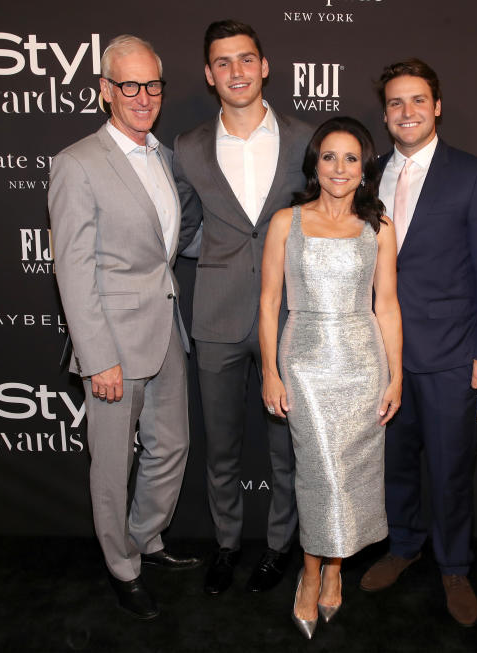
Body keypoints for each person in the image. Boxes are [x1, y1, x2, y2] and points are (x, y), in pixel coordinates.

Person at [49, 35, 201, 620]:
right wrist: (98, 357)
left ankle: (145, 538)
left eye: (152, 85)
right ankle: (122, 566)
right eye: (129, 85)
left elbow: (171, 245)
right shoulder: (77, 163)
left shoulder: (163, 156)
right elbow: (74, 270)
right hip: (111, 342)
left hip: (166, 332)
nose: (143, 97)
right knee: (113, 464)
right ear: (106, 91)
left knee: (172, 448)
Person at [359, 59, 477, 627]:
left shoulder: (473, 174)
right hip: (379, 354)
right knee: (394, 464)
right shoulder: (366, 173)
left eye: (417, 100)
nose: (407, 112)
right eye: (396, 103)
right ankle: (404, 546)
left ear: (437, 105)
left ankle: (453, 566)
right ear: (385, 114)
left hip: (451, 354)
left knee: (449, 468)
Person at [172, 20, 314, 595]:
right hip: (217, 318)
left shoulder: (306, 139)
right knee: (222, 446)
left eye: (246, 59)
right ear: (210, 75)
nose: (236, 71)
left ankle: (280, 547)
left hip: (291, 321)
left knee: (288, 449)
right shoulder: (187, 147)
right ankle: (226, 544)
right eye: (223, 63)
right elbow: (181, 229)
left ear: (265, 66)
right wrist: (229, 256)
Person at [259, 116, 403, 639]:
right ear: (314, 165)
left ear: (364, 168)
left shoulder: (379, 225)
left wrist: (396, 377)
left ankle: (336, 567)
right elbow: (270, 301)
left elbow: (386, 306)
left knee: (352, 475)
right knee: (317, 473)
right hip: (305, 363)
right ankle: (311, 571)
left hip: (363, 363)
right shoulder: (286, 222)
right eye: (329, 157)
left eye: (350, 158)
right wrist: (271, 371)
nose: (339, 168)